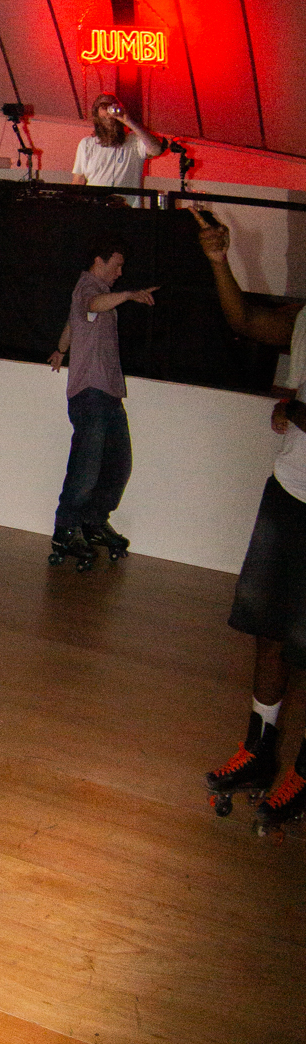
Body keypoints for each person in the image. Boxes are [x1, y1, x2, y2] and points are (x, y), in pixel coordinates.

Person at [195, 215, 306, 833]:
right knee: (267, 629)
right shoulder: (302, 316)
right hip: (290, 490)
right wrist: (218, 261)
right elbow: (243, 323)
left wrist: (294, 405)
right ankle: (259, 750)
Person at [47, 234, 156, 568]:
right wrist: (129, 296)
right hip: (90, 393)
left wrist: (61, 348)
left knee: (118, 465)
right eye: (117, 264)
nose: (120, 272)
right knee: (86, 468)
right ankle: (65, 528)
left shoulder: (95, 293)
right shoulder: (89, 288)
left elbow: (74, 318)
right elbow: (91, 306)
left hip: (108, 393)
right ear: (99, 261)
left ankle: (92, 522)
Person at [72, 95, 163, 195]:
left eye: (112, 107)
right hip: (97, 207)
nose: (109, 112)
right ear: (96, 112)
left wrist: (128, 121)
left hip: (126, 208)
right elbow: (79, 180)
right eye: (104, 107)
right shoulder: (87, 144)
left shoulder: (135, 141)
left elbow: (156, 149)